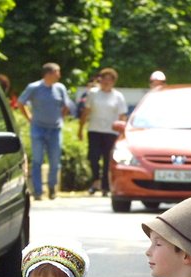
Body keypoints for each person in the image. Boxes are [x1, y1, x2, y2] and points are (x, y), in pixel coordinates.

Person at [18, 62, 74, 200]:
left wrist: (61, 117)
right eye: (57, 72)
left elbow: (66, 105)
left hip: (55, 129)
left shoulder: (60, 88)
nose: (59, 75)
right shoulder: (34, 87)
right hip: (38, 128)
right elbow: (21, 102)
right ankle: (38, 191)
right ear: (49, 73)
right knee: (37, 160)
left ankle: (52, 187)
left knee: (55, 161)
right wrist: (29, 117)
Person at [78, 67, 128, 196]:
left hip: (110, 132)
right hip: (94, 129)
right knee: (93, 157)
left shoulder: (118, 96)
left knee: (107, 159)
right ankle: (96, 181)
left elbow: (122, 115)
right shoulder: (93, 93)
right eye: (104, 79)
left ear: (113, 82)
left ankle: (105, 186)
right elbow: (86, 111)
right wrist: (80, 128)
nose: (106, 82)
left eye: (109, 80)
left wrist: (122, 132)